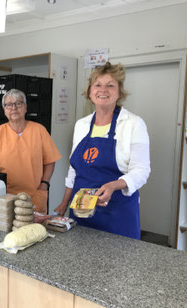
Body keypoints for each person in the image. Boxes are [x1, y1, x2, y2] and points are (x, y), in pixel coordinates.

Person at [54, 62, 150, 239]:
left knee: (118, 264)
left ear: (119, 92)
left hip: (117, 214)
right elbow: (74, 169)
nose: (103, 90)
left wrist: (114, 185)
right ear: (90, 92)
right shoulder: (81, 125)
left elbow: (142, 170)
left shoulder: (133, 124)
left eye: (110, 85)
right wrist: (65, 202)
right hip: (81, 212)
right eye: (97, 85)